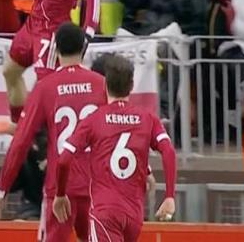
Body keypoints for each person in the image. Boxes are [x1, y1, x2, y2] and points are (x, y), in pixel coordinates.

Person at [0, 23, 107, 242]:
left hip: (60, 188)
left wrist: (2, 187)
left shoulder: (46, 87)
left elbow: (21, 141)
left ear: (55, 49)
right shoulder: (101, 85)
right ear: (83, 48)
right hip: (96, 186)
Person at [53, 55, 177, 241]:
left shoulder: (94, 119)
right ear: (132, 85)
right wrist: (169, 196)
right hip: (134, 215)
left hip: (105, 212)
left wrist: (60, 194)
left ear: (105, 85)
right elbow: (168, 151)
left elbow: (63, 160)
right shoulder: (147, 118)